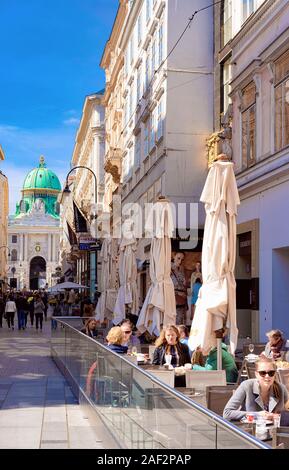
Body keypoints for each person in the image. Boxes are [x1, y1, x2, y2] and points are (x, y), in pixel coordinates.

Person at [223, 357, 288, 421]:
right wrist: (257, 415)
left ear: (275, 374)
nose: (267, 376)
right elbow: (227, 413)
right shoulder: (246, 386)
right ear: (256, 374)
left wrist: (278, 416)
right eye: (262, 373)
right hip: (249, 430)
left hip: (275, 430)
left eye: (271, 373)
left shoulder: (281, 389)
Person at [171, 252, 188, 325]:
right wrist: (178, 293)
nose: (180, 261)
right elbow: (166, 286)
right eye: (178, 258)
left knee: (180, 321)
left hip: (181, 300)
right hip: (173, 299)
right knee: (173, 321)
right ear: (173, 256)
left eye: (182, 259)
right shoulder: (168, 268)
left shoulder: (181, 269)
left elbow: (183, 284)